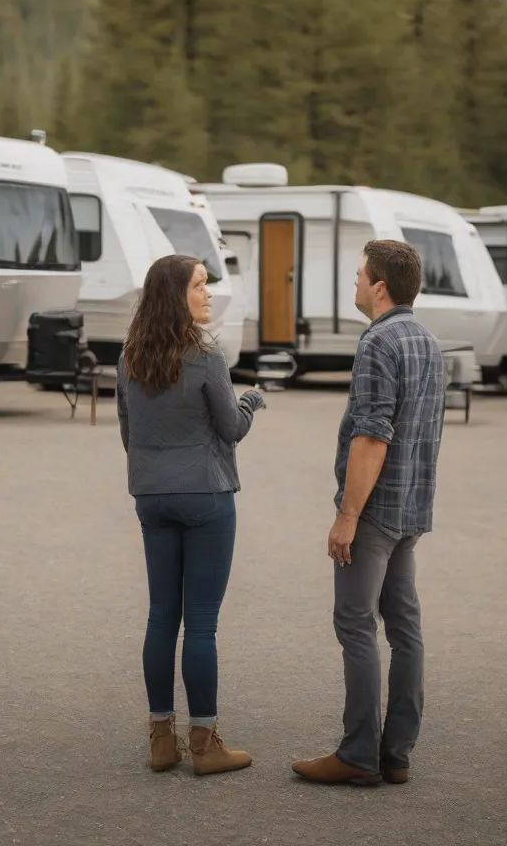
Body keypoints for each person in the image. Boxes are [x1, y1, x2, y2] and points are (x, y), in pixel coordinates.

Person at [292, 239, 446, 787]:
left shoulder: (378, 342)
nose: (355, 284)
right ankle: (396, 754)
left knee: (356, 626)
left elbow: (372, 437)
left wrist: (347, 516)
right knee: (405, 630)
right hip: (412, 507)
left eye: (360, 276)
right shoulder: (427, 341)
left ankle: (358, 754)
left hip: (377, 509)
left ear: (380, 286)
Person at [116, 253, 266, 776]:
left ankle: (162, 738)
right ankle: (204, 743)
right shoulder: (206, 355)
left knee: (162, 615)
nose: (207, 293)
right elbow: (229, 429)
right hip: (206, 495)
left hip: (151, 496)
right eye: (200, 285)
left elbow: (128, 434)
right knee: (200, 623)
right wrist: (250, 402)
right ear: (176, 294)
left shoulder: (130, 356)